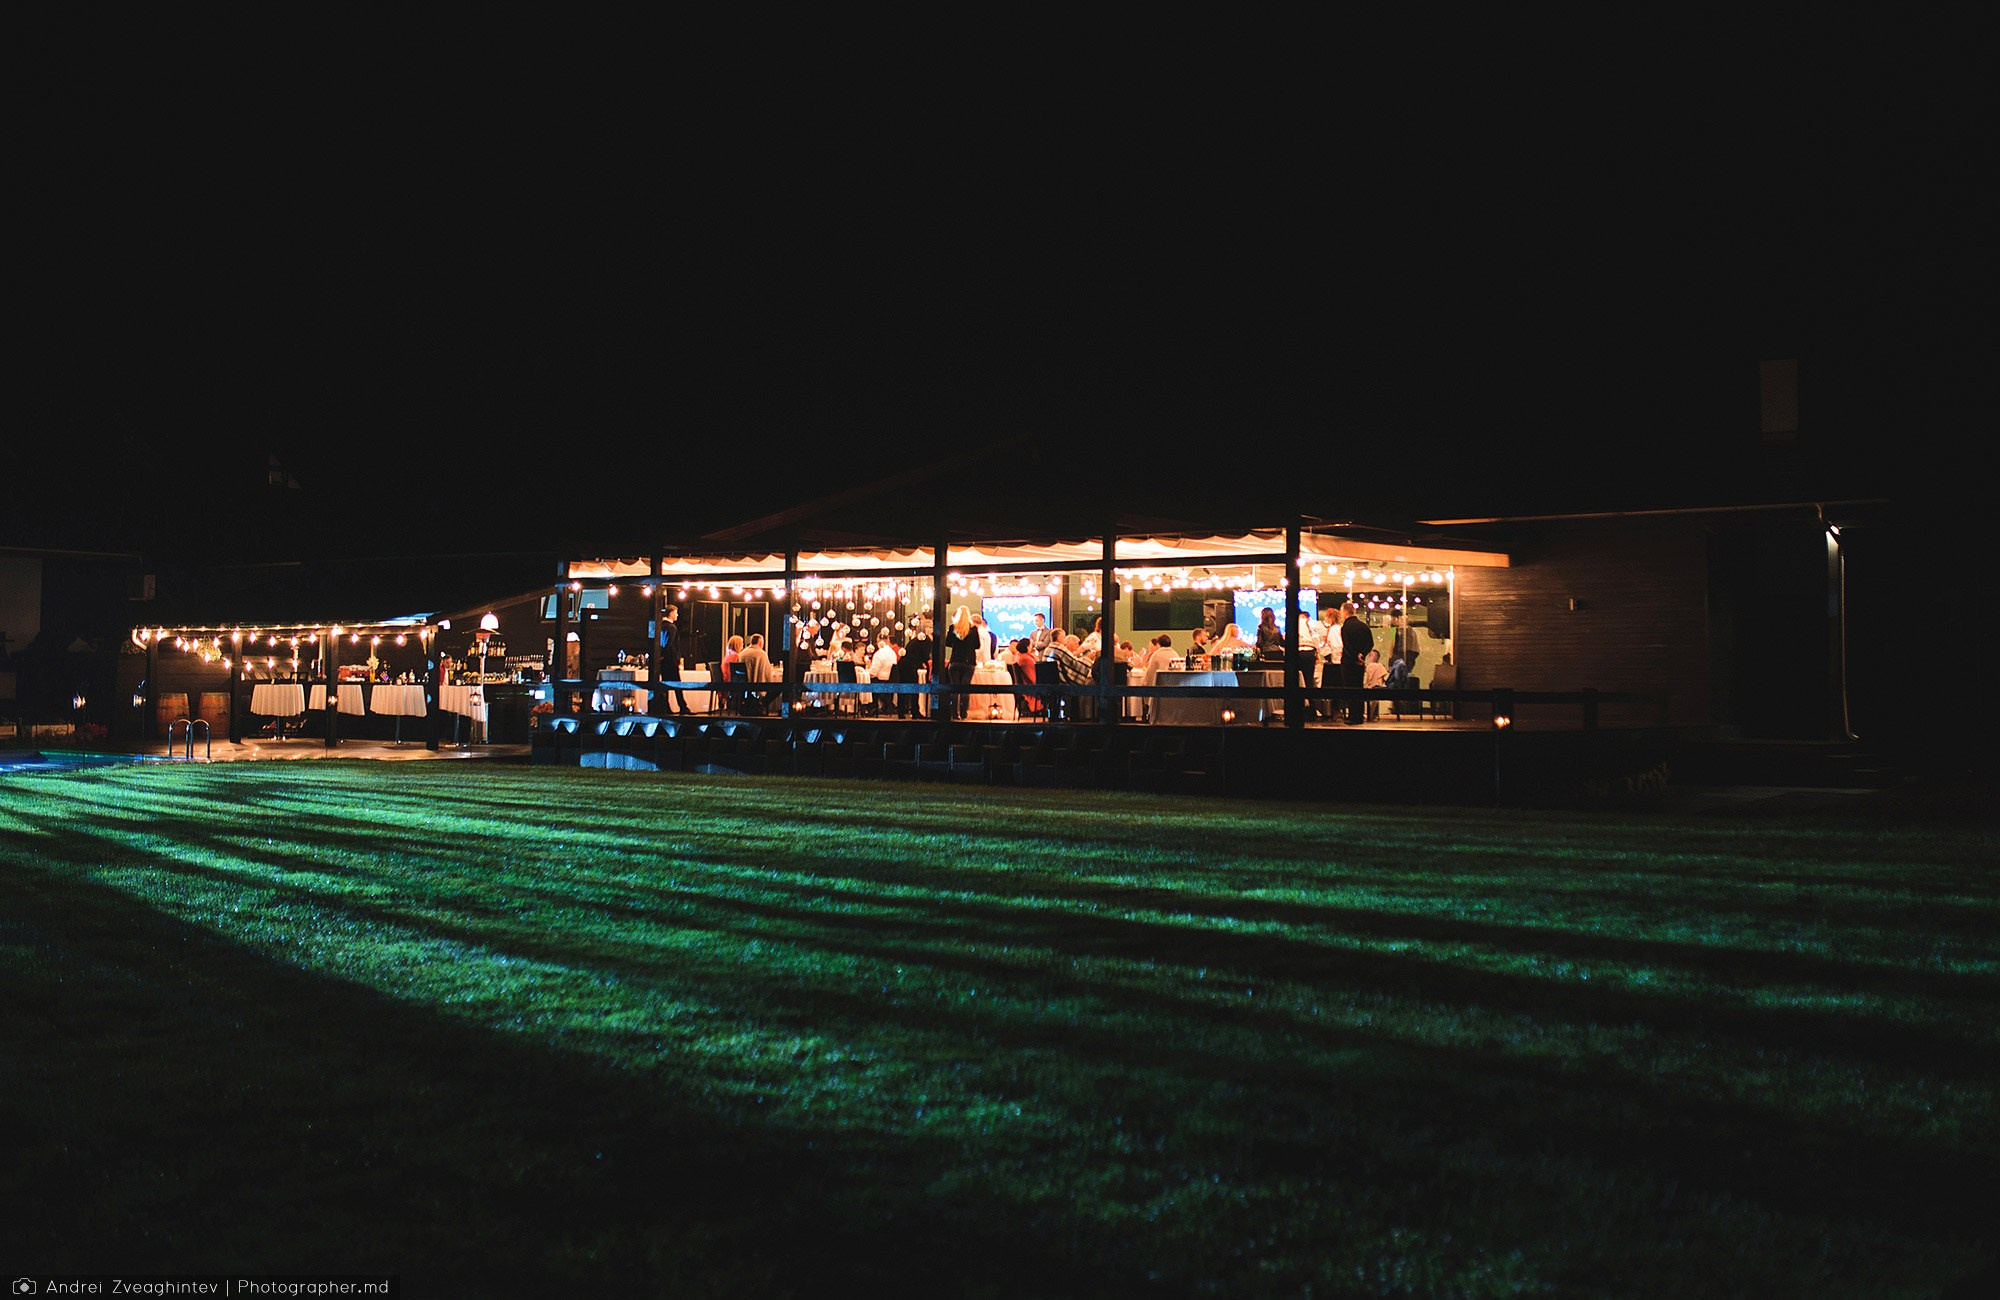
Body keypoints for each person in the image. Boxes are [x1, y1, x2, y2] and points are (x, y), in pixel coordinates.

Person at [1339, 602, 1373, 724]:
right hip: (1360, 663)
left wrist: (1355, 657)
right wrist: (1362, 655)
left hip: (1349, 663)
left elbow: (1347, 646)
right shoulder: (1364, 626)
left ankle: (1353, 716)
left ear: (1345, 612)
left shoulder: (1345, 627)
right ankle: (1359, 715)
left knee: (1349, 689)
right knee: (1359, 687)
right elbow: (1370, 643)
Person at [944, 606, 980, 719]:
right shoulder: (973, 629)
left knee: (954, 688)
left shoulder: (953, 627)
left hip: (955, 660)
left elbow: (947, 642)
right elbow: (977, 645)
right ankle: (964, 713)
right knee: (965, 689)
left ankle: (954, 714)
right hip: (969, 662)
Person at [657, 604, 693, 714]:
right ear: (671, 613)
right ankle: (683, 707)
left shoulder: (661, 626)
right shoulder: (671, 627)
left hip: (664, 660)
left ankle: (665, 707)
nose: (677, 615)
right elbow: (669, 643)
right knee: (677, 684)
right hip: (671, 660)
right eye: (676, 613)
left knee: (665, 684)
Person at [899, 617, 933, 719]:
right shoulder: (926, 640)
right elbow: (925, 656)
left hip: (904, 664)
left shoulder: (916, 640)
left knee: (904, 689)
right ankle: (915, 712)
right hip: (909, 666)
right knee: (914, 689)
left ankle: (902, 712)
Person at [867, 633, 899, 716]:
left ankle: (872, 707)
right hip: (890, 680)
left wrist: (867, 672)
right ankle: (885, 706)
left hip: (881, 680)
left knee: (867, 682)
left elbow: (874, 672)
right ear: (888, 641)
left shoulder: (879, 654)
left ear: (878, 641)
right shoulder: (892, 652)